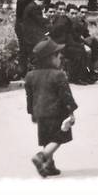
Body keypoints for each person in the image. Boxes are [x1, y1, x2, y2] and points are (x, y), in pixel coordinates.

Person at [25, 38, 78, 178]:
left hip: (40, 112)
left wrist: (32, 112)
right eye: (58, 54)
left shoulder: (30, 76)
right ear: (50, 58)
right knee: (59, 137)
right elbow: (66, 95)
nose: (61, 57)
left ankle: (49, 165)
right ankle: (41, 157)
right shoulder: (58, 75)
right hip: (56, 112)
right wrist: (71, 112)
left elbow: (29, 97)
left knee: (47, 138)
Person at [14, 0, 42, 78]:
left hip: (24, 27)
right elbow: (23, 17)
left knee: (25, 50)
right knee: (24, 49)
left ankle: (24, 71)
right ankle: (21, 72)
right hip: (22, 27)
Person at [20, 0, 51, 75]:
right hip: (32, 36)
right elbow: (39, 20)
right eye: (44, 6)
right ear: (43, 2)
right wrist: (49, 20)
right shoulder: (35, 8)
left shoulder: (30, 5)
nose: (43, 8)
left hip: (28, 34)